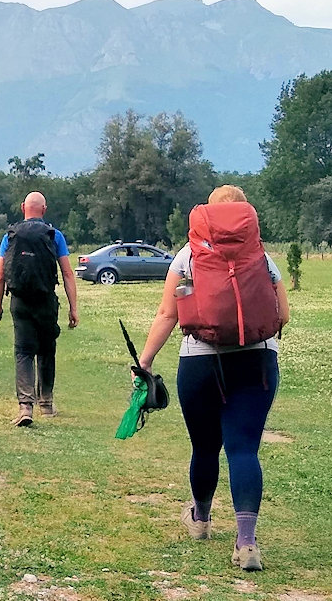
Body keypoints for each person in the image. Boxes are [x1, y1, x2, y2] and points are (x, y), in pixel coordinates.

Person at [134, 185, 291, 571]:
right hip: (257, 362)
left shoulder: (188, 256)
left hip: (201, 363)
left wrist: (145, 360)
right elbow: (283, 315)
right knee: (243, 450)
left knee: (205, 448)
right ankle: (247, 542)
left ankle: (201, 520)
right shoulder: (262, 257)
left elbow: (169, 315)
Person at [0, 192, 79, 427]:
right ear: (44, 209)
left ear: (23, 208)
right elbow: (68, 273)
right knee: (47, 350)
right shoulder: (54, 235)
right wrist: (73, 308)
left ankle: (25, 407)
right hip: (46, 301)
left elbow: (0, 276)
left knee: (23, 352)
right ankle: (47, 403)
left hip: (20, 302)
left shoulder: (9, 237)